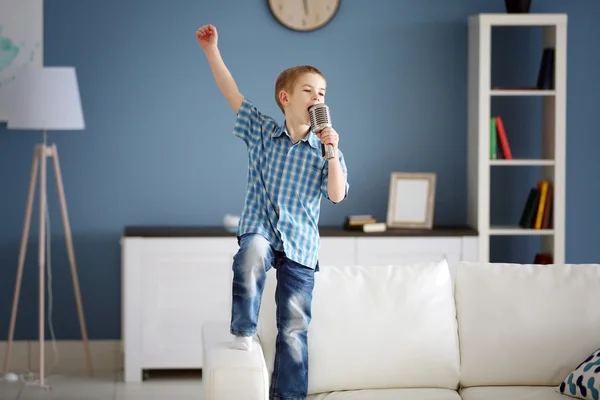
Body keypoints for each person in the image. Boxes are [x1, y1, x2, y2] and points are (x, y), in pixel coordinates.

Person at [196, 23, 349, 400]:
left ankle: (288, 397)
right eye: (308, 90)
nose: (317, 96)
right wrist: (211, 49)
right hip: (262, 228)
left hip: (300, 244)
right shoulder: (262, 131)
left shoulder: (325, 150)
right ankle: (244, 331)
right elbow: (230, 89)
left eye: (323, 92)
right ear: (285, 97)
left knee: (294, 328)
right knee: (250, 255)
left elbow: (338, 195)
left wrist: (332, 152)